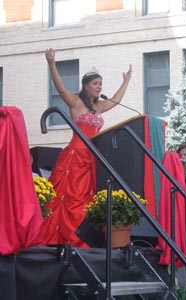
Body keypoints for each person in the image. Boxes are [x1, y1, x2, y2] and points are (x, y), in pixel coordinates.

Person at [42, 48, 132, 247]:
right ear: (86, 86)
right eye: (95, 83)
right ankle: (61, 237)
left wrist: (126, 81)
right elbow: (61, 89)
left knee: (86, 196)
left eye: (100, 83)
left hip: (92, 157)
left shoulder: (97, 107)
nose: (99, 87)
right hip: (76, 156)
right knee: (70, 196)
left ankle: (83, 237)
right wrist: (52, 65)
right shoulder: (75, 102)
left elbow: (116, 100)